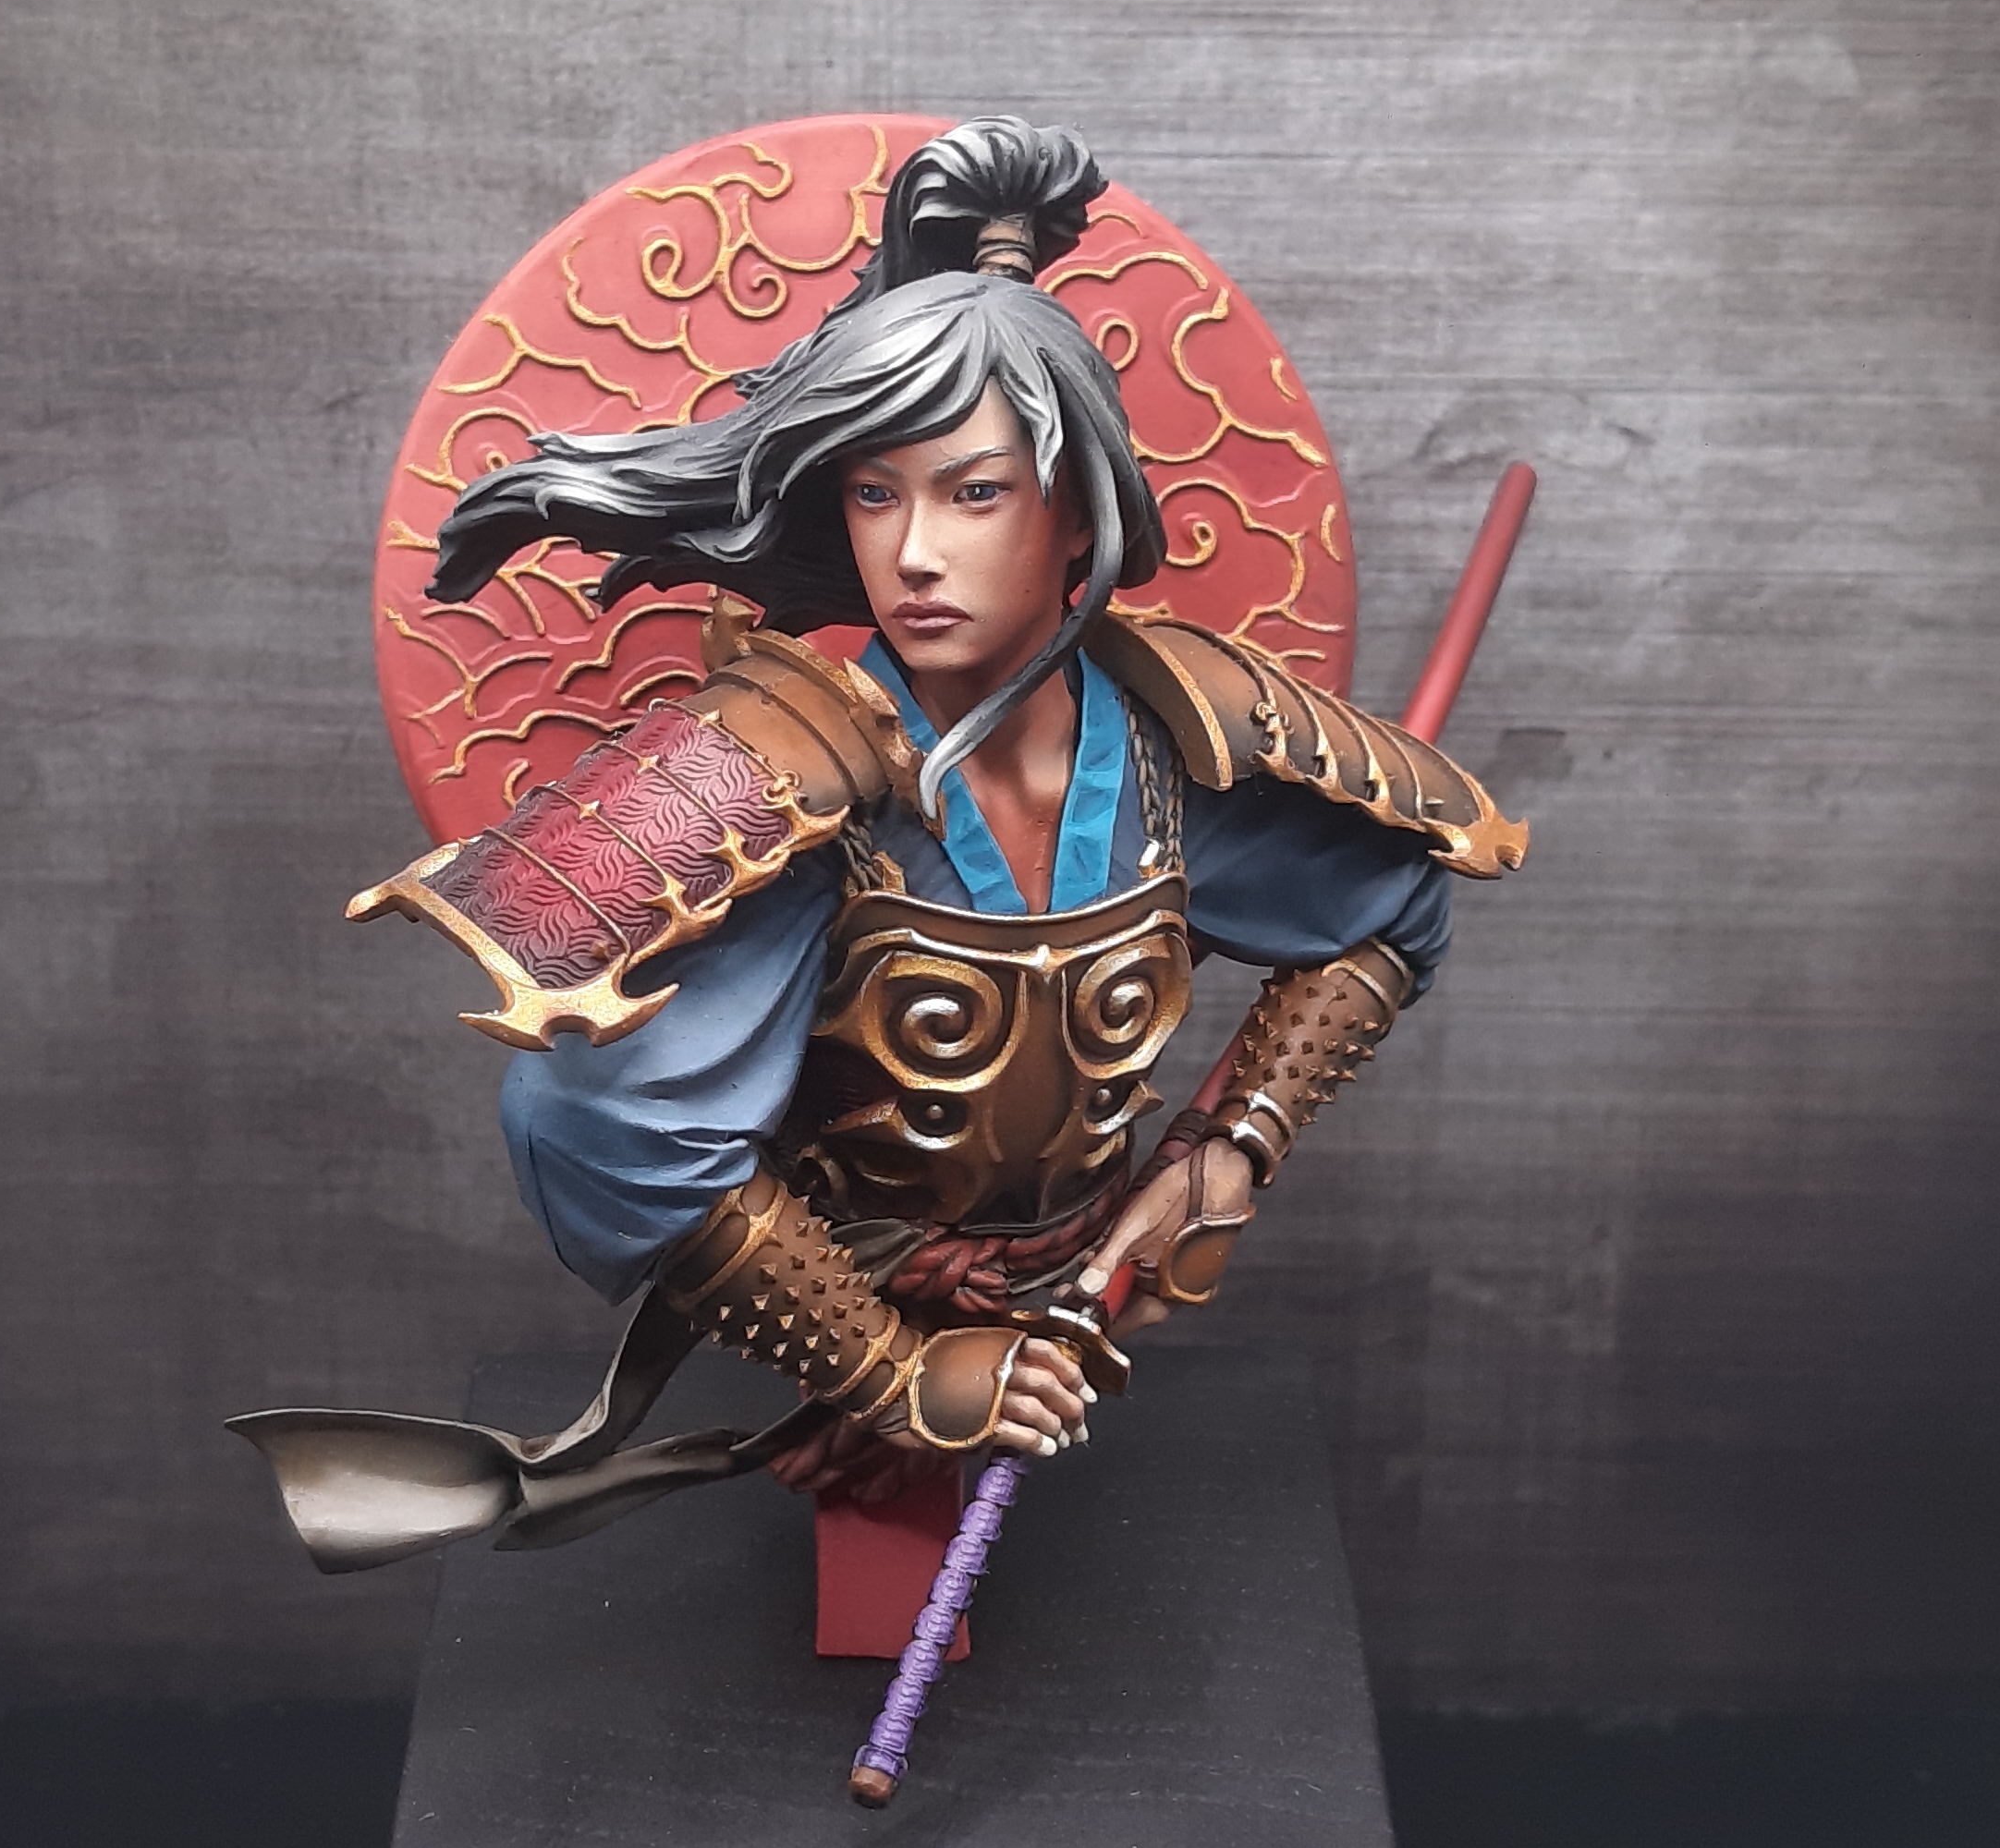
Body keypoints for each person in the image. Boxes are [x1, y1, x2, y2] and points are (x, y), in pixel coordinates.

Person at [310, 124, 1525, 1547]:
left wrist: (1230, 1151)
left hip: (1080, 1285)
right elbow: (596, 1129)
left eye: (974, 491)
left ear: (1080, 516)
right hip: (850, 1297)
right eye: (876, 493)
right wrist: (891, 1374)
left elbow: (1392, 908)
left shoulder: (1177, 738)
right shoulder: (779, 775)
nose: (915, 552)